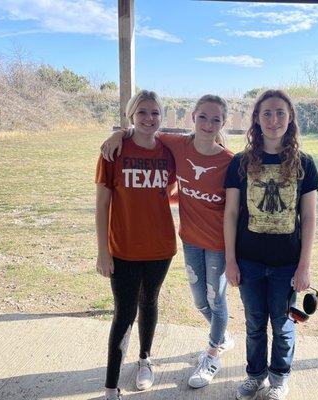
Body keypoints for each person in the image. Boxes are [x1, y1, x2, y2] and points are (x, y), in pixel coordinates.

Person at [101, 94, 235, 389]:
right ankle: (222, 333)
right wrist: (118, 133)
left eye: (215, 119)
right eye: (202, 117)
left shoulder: (229, 161)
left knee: (216, 298)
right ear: (192, 118)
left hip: (216, 244)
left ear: (223, 123)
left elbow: (236, 209)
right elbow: (145, 130)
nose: (208, 124)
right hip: (189, 240)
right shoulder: (177, 145)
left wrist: (234, 253)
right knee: (201, 300)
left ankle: (213, 351)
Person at [223, 89, 318, 400]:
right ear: (256, 119)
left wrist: (304, 265)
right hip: (249, 262)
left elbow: (308, 217)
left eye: (280, 112)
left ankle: (279, 378)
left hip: (286, 265)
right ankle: (255, 376)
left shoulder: (304, 164)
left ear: (290, 118)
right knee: (254, 324)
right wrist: (230, 260)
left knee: (282, 325)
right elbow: (231, 213)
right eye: (266, 113)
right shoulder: (240, 163)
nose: (273, 119)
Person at [95, 90, 177, 400]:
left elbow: (203, 144)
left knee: (150, 303)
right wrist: (103, 251)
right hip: (124, 248)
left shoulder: (168, 150)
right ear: (131, 115)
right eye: (142, 112)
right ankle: (110, 386)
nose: (149, 118)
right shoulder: (113, 151)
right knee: (124, 313)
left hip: (160, 247)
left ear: (161, 117)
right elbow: (102, 204)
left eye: (155, 113)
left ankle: (145, 359)